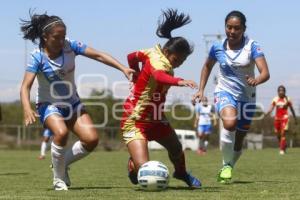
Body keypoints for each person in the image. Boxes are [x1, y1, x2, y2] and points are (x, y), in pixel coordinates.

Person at [20, 11, 134, 190]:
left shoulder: (70, 45)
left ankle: (60, 163)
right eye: (57, 37)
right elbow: (25, 86)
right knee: (61, 133)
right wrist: (27, 108)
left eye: (63, 36)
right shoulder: (37, 56)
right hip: (48, 105)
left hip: (72, 103)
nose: (61, 40)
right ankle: (58, 179)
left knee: (92, 139)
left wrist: (122, 68)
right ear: (45, 37)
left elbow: (98, 55)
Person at [121, 9, 201, 188]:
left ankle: (181, 173)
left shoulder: (152, 52)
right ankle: (133, 164)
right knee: (144, 171)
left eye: (181, 62)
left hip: (156, 117)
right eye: (175, 60)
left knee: (176, 149)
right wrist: (179, 81)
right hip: (135, 119)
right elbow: (158, 77)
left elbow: (131, 56)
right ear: (166, 51)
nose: (177, 64)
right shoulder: (159, 62)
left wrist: (137, 74)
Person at [192, 10, 270, 183]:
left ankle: (227, 166)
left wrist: (257, 79)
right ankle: (226, 165)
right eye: (229, 27)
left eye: (237, 28)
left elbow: (265, 72)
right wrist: (201, 90)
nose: (232, 31)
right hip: (224, 92)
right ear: (225, 27)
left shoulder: (252, 46)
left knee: (239, 138)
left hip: (247, 97)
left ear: (243, 29)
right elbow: (207, 67)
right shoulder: (217, 47)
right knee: (229, 123)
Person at [266, 85, 298, 155]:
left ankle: (282, 149)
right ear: (277, 92)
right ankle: (284, 145)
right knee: (278, 135)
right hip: (277, 118)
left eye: (282, 90)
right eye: (280, 90)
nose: (281, 92)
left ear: (285, 91)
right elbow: (271, 108)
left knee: (283, 133)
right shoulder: (275, 99)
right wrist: (267, 113)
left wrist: (295, 118)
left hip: (285, 118)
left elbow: (292, 109)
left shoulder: (287, 99)